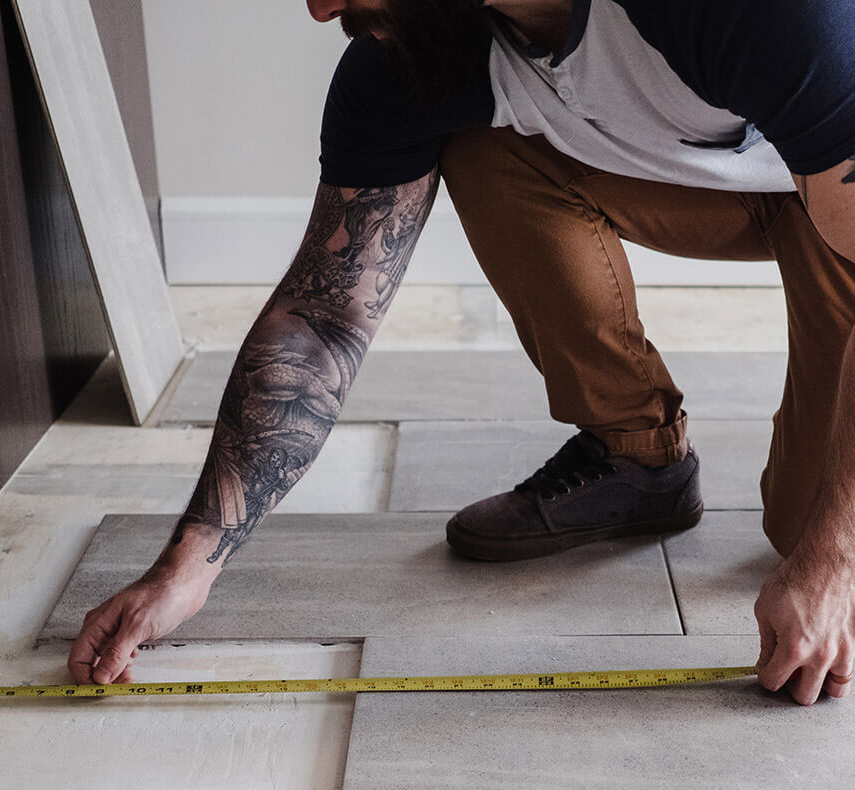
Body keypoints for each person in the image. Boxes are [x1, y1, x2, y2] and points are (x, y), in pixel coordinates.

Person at [69, 0, 855, 706]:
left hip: (835, 186)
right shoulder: (416, 57)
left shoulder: (767, 12)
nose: (319, 9)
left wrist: (831, 563)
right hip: (748, 177)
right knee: (482, 142)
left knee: (808, 533)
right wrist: (188, 569)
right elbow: (323, 317)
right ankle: (638, 457)